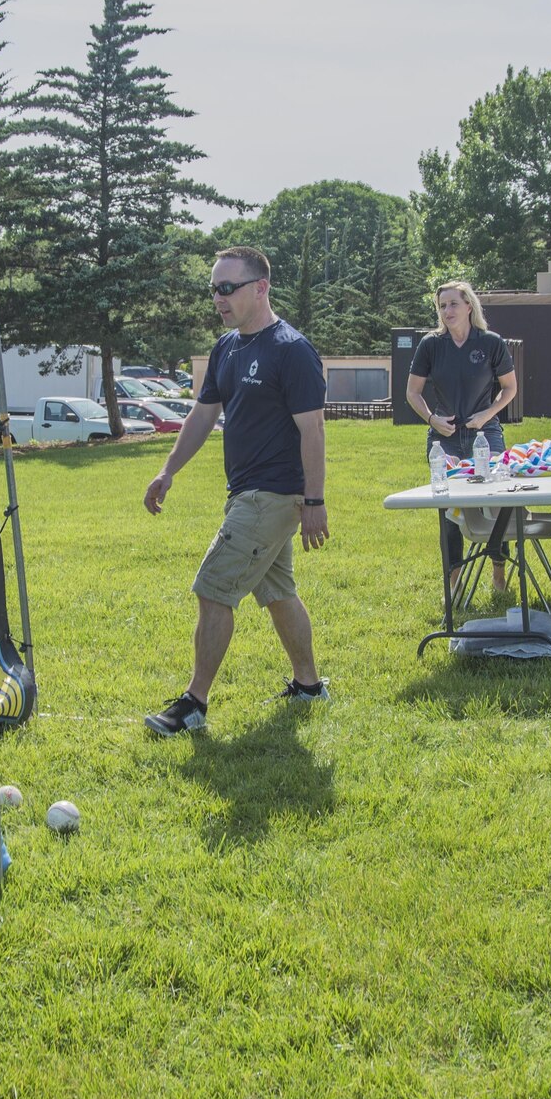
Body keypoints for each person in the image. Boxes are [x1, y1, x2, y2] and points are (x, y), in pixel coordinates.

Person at [142, 245, 328, 737]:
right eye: (214, 289)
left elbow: (313, 430)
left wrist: (314, 500)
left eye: (228, 288)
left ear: (260, 288)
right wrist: (168, 471)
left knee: (213, 588)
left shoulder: (291, 350)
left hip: (272, 496)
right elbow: (202, 415)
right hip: (245, 491)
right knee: (278, 592)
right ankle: (309, 686)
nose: (218, 298)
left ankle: (194, 704)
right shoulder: (227, 348)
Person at [404, 280, 517, 596]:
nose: (447, 311)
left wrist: (486, 415)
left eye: (453, 304)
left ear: (469, 306)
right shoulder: (431, 345)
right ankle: (454, 581)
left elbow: (510, 388)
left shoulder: (491, 342)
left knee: (496, 503)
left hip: (486, 434)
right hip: (446, 439)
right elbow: (412, 393)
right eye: (442, 306)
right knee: (449, 509)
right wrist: (432, 420)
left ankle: (498, 572)